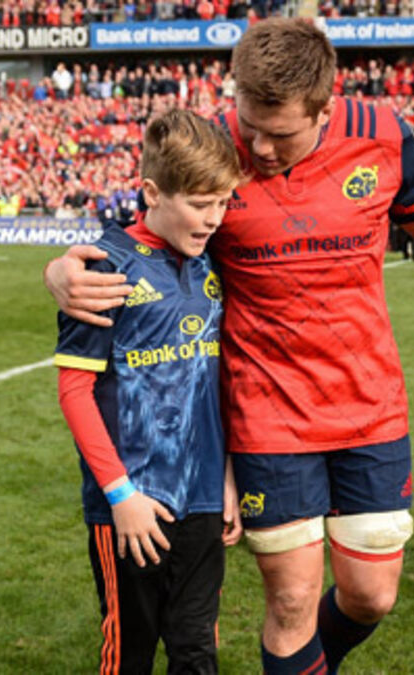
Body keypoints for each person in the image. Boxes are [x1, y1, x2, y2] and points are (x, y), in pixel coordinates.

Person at [44, 19, 414, 675]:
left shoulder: (380, 136)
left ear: (325, 109)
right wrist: (60, 270)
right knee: (292, 600)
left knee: (371, 595)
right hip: (267, 413)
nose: (259, 148)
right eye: (250, 125)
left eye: (281, 134)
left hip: (368, 408)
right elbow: (152, 226)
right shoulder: (214, 143)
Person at [53, 109, 245, 674]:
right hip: (132, 503)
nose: (214, 218)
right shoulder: (104, 270)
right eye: (201, 204)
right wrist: (121, 497)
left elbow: (218, 385)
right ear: (152, 193)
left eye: (224, 202)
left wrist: (227, 478)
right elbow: (74, 391)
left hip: (203, 497)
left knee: (196, 649)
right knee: (129, 652)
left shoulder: (211, 263)